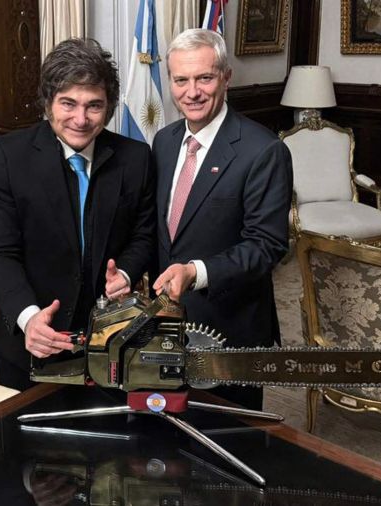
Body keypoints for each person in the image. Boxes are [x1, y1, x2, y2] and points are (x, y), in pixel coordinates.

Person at [0, 38, 156, 390]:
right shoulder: (6, 157)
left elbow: (143, 234)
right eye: (68, 103)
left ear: (110, 107)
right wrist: (28, 319)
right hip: (26, 341)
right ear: (48, 103)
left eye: (94, 106)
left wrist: (126, 271)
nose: (81, 119)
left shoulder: (136, 158)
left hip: (110, 340)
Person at [152, 28, 292, 409]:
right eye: (181, 80)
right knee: (171, 434)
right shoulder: (163, 142)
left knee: (232, 439)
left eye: (204, 78)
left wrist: (195, 272)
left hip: (232, 327)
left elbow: (267, 246)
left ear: (226, 77)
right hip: (168, 323)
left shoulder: (263, 151)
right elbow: (160, 231)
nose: (191, 92)